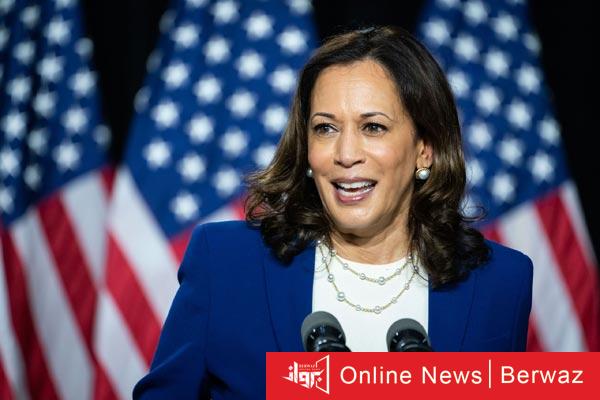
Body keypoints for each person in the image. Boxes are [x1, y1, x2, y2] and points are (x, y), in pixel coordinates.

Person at [133, 26, 533, 399]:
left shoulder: (500, 282)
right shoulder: (226, 263)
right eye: (325, 128)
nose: (345, 154)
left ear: (424, 150)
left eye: (373, 127)